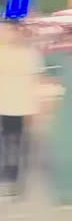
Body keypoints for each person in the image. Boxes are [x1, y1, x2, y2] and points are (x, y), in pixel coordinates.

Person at [0, 19, 43, 201]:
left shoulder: (30, 54)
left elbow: (35, 82)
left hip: (22, 106)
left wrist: (35, 107)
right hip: (1, 104)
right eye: (3, 31)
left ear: (17, 32)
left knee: (17, 145)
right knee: (2, 142)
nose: (5, 34)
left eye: (9, 30)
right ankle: (5, 179)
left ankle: (14, 182)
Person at [46, 25, 72, 208]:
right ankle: (65, 193)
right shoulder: (63, 59)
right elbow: (46, 61)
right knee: (64, 152)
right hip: (67, 112)